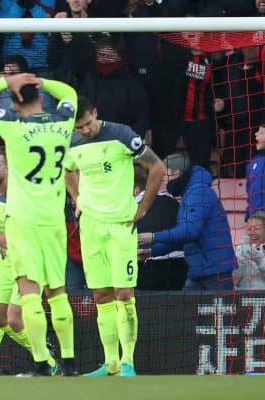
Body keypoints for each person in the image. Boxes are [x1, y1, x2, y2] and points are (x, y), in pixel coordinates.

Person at [0, 72, 79, 377]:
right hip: (53, 219)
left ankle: (41, 361)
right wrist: (41, 79)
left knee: (29, 292)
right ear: (41, 97)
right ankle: (69, 361)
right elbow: (69, 93)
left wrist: (4, 81)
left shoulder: (12, 124)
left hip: (24, 220)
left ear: (14, 100)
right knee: (58, 292)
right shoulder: (62, 120)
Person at [64, 96, 165, 377]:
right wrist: (77, 199)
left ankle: (128, 362)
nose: (85, 130)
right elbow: (67, 169)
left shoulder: (121, 134)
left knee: (124, 292)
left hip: (121, 225)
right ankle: (109, 363)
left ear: (95, 113)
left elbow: (157, 167)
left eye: (87, 123)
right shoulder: (72, 142)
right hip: (90, 227)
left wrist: (143, 207)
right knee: (101, 295)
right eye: (79, 127)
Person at [0, 146, 56, 375]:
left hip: (31, 259)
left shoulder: (19, 197)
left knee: (15, 319)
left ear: (9, 168)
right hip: (9, 261)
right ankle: (45, 355)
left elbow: (15, 240)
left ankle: (48, 362)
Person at [138, 152, 238, 292]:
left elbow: (190, 231)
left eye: (165, 175)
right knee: (184, 310)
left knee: (219, 312)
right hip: (199, 271)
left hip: (215, 273)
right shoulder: (190, 193)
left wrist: (153, 236)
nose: (163, 180)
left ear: (176, 173)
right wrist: (151, 252)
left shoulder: (198, 192)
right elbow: (184, 240)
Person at [234, 211, 265, 291]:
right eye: (249, 229)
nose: (251, 233)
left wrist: (260, 261)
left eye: (256, 229)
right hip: (243, 297)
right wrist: (241, 261)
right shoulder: (240, 250)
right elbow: (234, 280)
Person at [246, 125, 265, 219]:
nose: (256, 134)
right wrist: (248, 216)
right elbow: (249, 192)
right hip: (255, 219)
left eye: (261, 133)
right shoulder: (252, 163)